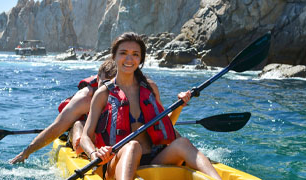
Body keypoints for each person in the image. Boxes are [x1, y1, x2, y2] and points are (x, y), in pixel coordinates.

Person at [80, 32, 221, 180]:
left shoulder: (150, 88)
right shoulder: (103, 93)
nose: (129, 59)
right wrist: (94, 153)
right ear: (114, 56)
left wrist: (179, 106)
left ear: (140, 59)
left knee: (183, 143)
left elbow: (164, 125)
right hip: (116, 161)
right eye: (123, 53)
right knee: (132, 146)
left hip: (153, 159)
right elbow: (85, 137)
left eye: (135, 54)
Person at [10, 60, 117, 164]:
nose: (107, 90)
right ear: (97, 79)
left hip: (107, 132)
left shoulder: (125, 94)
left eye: (112, 86)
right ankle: (82, 148)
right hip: (82, 128)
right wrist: (26, 152)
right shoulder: (84, 99)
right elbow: (57, 127)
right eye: (104, 84)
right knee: (78, 125)